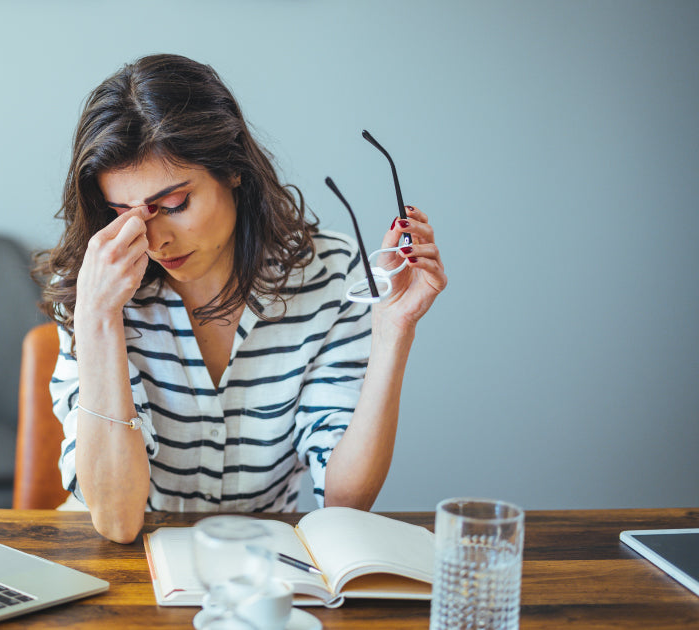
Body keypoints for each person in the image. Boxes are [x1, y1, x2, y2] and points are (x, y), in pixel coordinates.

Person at [32, 54, 447, 544]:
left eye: (174, 205)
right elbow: (117, 520)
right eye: (122, 213)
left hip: (262, 572)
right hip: (119, 569)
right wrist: (99, 318)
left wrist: (393, 332)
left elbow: (345, 500)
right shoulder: (93, 286)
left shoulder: (330, 274)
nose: (154, 239)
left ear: (232, 170)